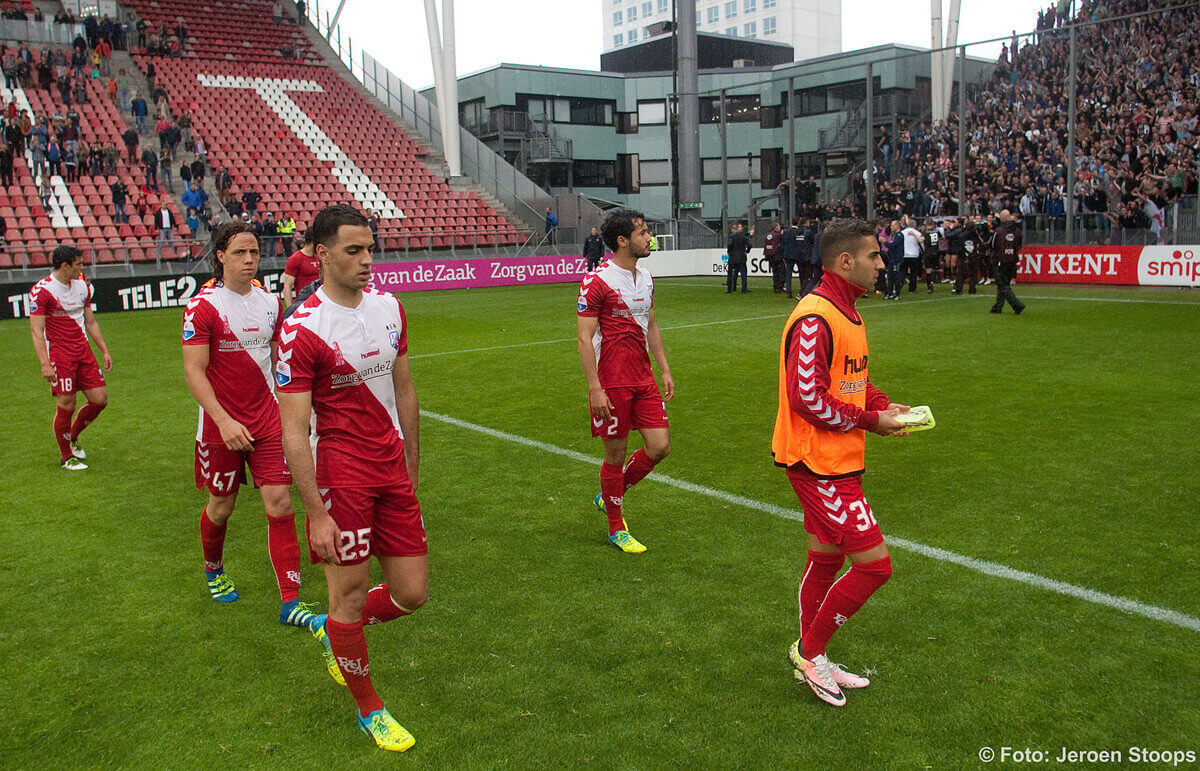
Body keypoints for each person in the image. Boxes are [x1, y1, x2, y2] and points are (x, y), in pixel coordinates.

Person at [276, 205, 425, 752]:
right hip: (341, 476)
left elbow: (405, 391)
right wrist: (315, 510)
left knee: (413, 593)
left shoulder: (390, 308)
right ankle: (371, 709)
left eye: (370, 248)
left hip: (391, 468)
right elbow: (293, 430)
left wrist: (412, 464)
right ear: (320, 254)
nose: (367, 260)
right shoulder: (301, 328)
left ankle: (339, 638)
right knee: (350, 595)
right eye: (353, 250)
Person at [771, 218, 908, 707]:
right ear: (846, 261)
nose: (881, 263)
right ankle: (811, 652)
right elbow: (808, 397)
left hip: (837, 459)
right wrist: (871, 422)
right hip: (817, 463)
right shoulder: (815, 317)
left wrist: (883, 405)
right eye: (874, 255)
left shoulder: (847, 310)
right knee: (875, 566)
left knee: (826, 558)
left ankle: (814, 653)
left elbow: (850, 381)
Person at [181, 221, 322, 629]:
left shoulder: (270, 305)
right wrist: (223, 420)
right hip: (220, 424)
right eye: (240, 253)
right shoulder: (202, 306)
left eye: (254, 253)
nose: (248, 260)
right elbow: (194, 371)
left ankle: (290, 602)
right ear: (221, 256)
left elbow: (282, 362)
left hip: (267, 419)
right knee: (221, 507)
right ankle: (213, 568)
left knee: (279, 502)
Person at [577, 209, 674, 554]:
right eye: (643, 233)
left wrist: (664, 368)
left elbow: (651, 324)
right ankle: (616, 526)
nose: (649, 238)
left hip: (643, 377)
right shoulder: (597, 281)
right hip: (612, 380)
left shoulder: (646, 278)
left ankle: (610, 494)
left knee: (660, 446)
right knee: (615, 454)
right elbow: (584, 338)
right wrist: (595, 388)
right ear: (622, 241)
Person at [28, 245, 113, 470]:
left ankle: (72, 437)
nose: (82, 267)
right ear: (65, 266)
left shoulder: (82, 287)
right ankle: (67, 457)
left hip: (83, 351)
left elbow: (90, 321)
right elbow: (36, 330)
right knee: (67, 403)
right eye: (78, 264)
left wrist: (103, 349)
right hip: (59, 354)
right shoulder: (42, 291)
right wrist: (45, 364)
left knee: (100, 399)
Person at [990, 209, 1025, 315]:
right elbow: (1019, 244)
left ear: (1002, 218)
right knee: (1003, 285)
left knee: (1003, 285)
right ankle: (998, 306)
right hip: (1012, 260)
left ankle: (1017, 305)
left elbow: (992, 245)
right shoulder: (1017, 230)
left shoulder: (999, 231)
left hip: (1000, 261)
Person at [725, 222, 753, 294]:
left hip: (732, 257)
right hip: (741, 257)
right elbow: (749, 245)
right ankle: (743, 289)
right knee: (743, 274)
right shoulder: (743, 237)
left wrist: (729, 251)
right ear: (738, 228)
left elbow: (730, 245)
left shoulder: (731, 237)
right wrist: (747, 251)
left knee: (730, 273)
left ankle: (729, 289)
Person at [900, 219, 924, 293]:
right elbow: (922, 245)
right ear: (915, 225)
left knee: (903, 273)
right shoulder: (918, 233)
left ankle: (899, 287)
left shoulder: (902, 233)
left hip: (904, 255)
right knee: (913, 273)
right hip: (914, 255)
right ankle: (912, 289)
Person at [884, 220, 904, 300]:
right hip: (892, 258)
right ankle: (890, 293)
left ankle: (898, 294)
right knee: (890, 276)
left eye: (892, 226)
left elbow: (892, 245)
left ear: (897, 226)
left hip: (897, 258)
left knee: (896, 276)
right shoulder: (894, 235)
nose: (891, 228)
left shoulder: (899, 235)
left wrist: (884, 242)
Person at [765, 221, 785, 293]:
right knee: (781, 271)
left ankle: (775, 286)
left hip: (770, 256)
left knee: (774, 271)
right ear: (776, 227)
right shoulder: (778, 235)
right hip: (778, 255)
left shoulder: (768, 235)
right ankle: (780, 287)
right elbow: (782, 244)